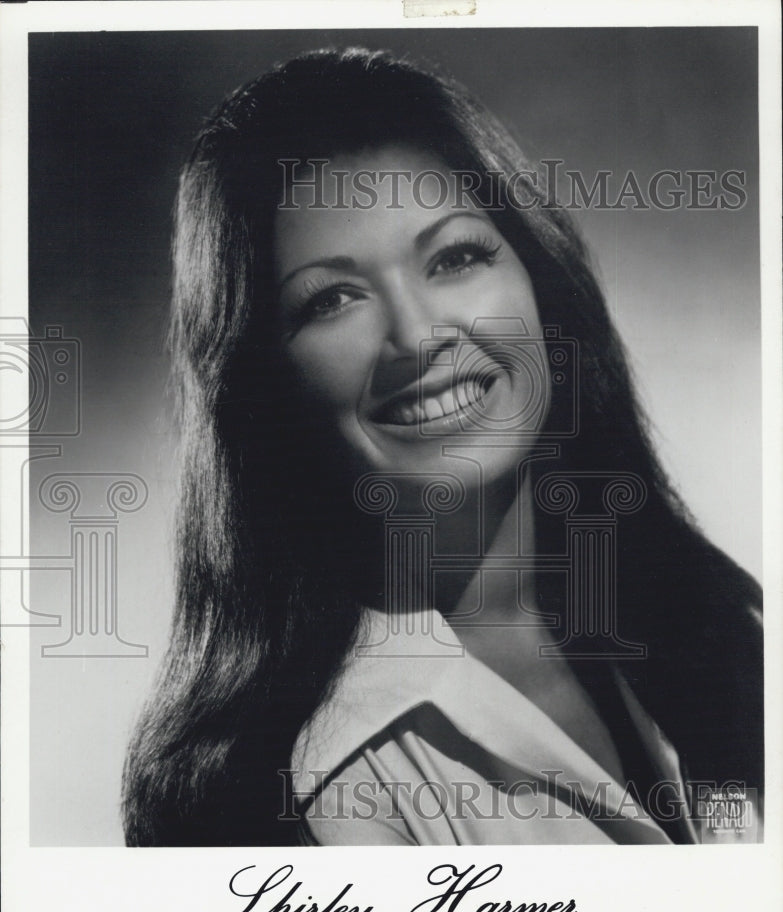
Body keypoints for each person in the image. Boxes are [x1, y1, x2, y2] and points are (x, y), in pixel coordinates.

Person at [121, 47, 763, 847]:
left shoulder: (717, 631)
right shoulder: (284, 788)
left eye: (455, 257)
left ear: (541, 283)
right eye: (332, 299)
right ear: (262, 383)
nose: (418, 336)